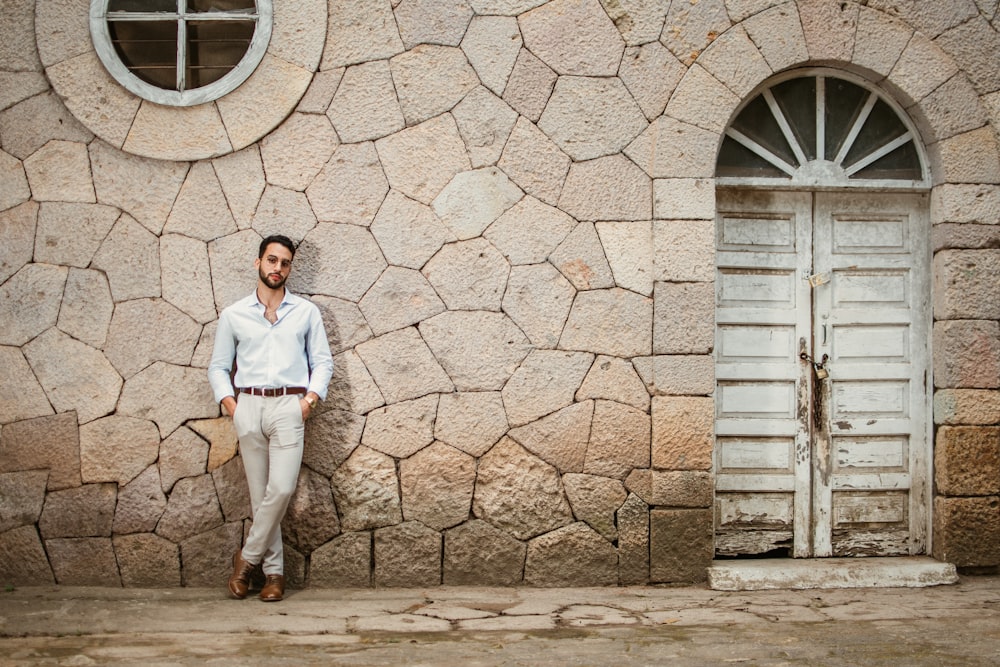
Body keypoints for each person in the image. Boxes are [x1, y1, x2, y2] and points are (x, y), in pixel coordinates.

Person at [207, 234, 334, 602]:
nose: (277, 268)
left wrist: (308, 400)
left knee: (280, 489)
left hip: (289, 408)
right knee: (260, 495)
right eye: (272, 260)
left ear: (290, 268)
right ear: (258, 263)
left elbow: (322, 361)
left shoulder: (306, 312)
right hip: (249, 407)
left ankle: (246, 560)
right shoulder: (233, 315)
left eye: (284, 263)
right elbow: (218, 367)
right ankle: (274, 574)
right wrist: (233, 406)